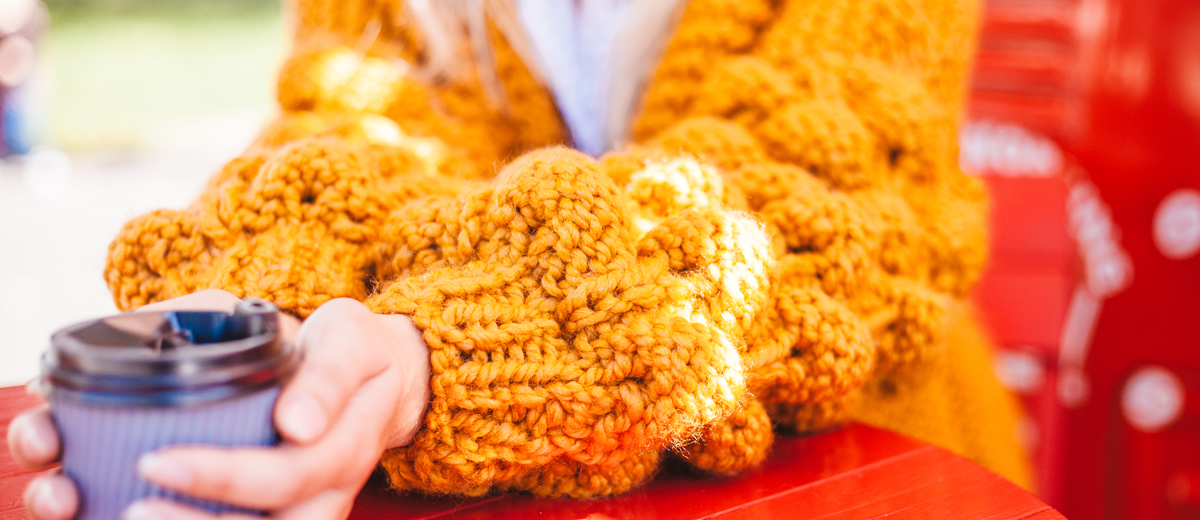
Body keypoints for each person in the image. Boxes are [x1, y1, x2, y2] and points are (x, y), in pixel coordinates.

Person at [9, 0, 1033, 518]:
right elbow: (346, 137)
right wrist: (272, 330)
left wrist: (442, 347)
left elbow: (803, 207)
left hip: (858, 468)